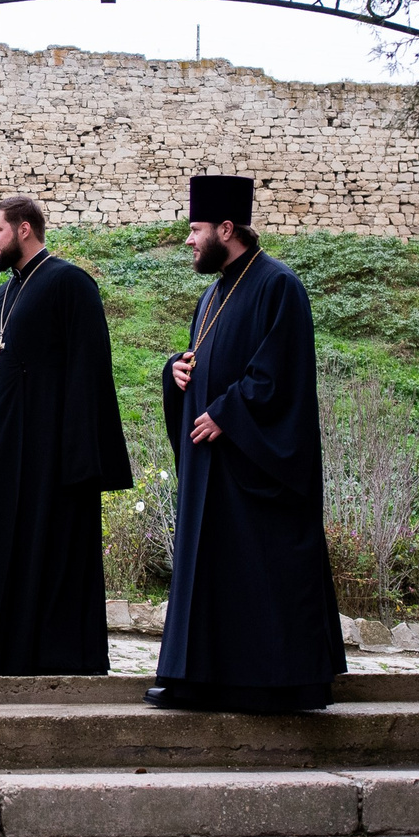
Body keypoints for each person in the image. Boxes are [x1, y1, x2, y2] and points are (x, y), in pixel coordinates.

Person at [151, 175, 345, 712]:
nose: (188, 240)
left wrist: (228, 412)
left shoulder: (278, 285)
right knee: (212, 572)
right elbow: (204, 358)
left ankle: (270, 682)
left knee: (258, 573)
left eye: (196, 229)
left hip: (255, 467)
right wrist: (176, 371)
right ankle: (199, 676)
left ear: (226, 228)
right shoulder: (213, 293)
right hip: (215, 464)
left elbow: (280, 373)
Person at [0, 196, 133, 674]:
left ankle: (51, 656)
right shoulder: (3, 295)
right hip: (3, 452)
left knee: (48, 554)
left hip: (51, 456)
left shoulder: (70, 283)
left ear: (24, 229)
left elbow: (89, 371)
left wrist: (78, 458)